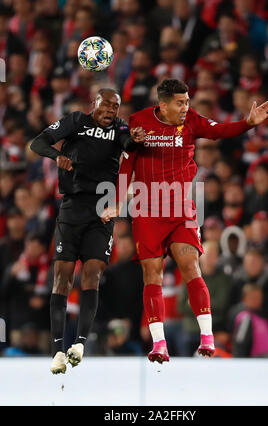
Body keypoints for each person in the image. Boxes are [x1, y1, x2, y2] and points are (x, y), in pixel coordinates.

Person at [101, 78, 268, 363]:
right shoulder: (140, 122)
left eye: (187, 101)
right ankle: (159, 344)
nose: (186, 107)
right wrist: (119, 201)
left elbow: (219, 131)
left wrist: (248, 123)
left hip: (181, 207)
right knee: (152, 273)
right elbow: (127, 164)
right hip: (147, 210)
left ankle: (207, 337)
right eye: (180, 103)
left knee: (190, 266)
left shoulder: (192, 121)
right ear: (163, 104)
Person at [30, 88, 145, 374]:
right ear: (94, 104)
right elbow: (38, 142)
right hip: (71, 208)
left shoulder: (119, 128)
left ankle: (79, 344)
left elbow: (129, 144)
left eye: (115, 107)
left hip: (102, 210)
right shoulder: (76, 121)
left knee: (93, 273)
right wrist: (56, 156)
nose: (111, 110)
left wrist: (136, 139)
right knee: (63, 278)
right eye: (106, 105)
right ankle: (57, 349)